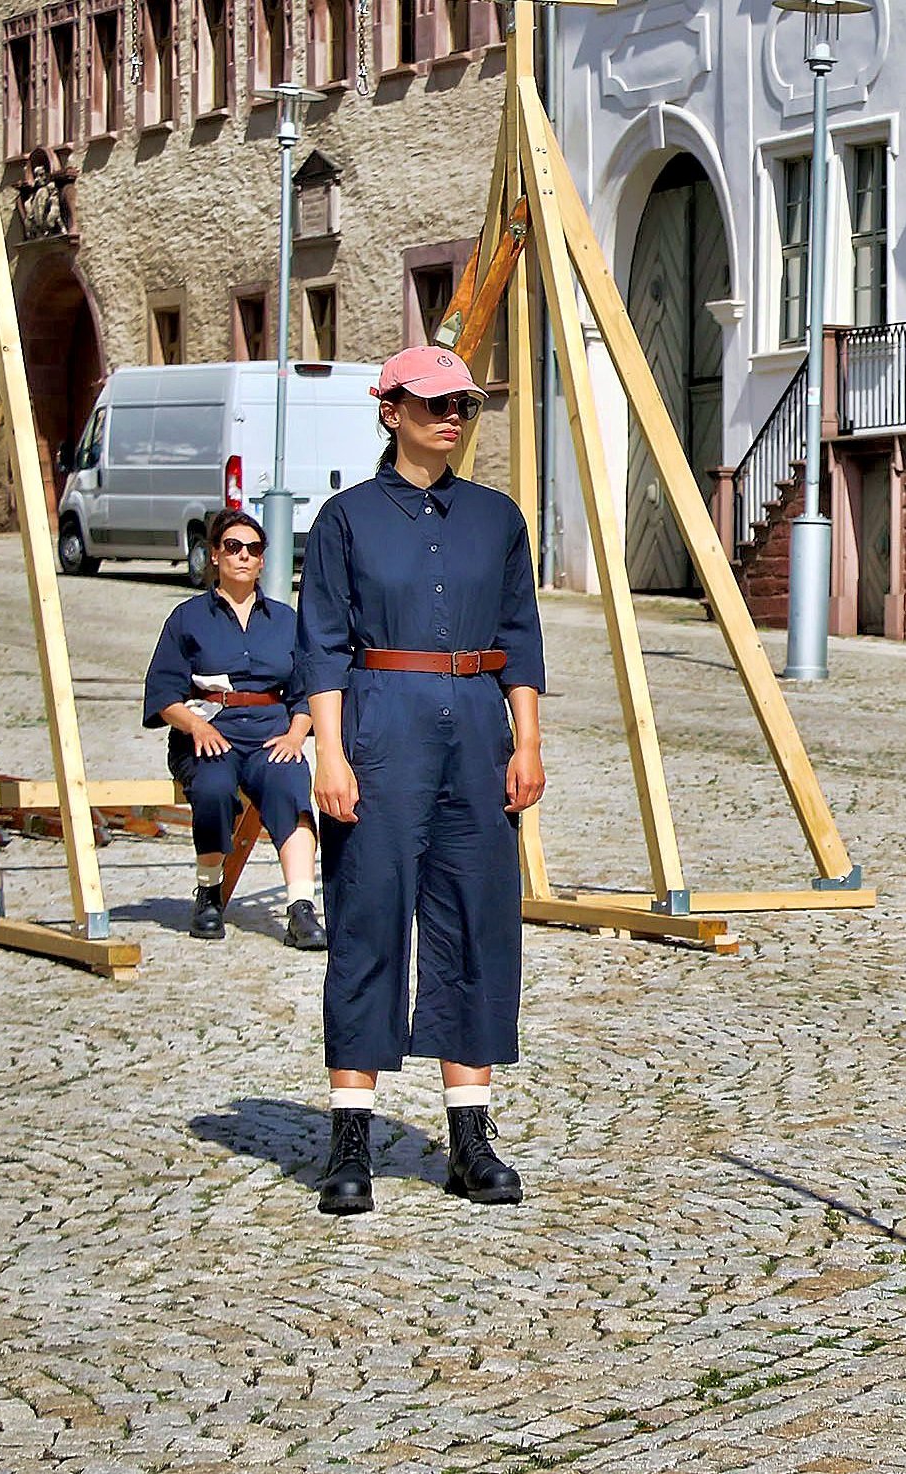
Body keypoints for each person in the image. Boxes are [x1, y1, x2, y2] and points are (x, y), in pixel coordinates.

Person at [295, 345, 546, 1217]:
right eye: (435, 403)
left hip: (477, 727)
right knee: (367, 921)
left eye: (463, 406)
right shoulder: (346, 520)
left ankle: (470, 1139)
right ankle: (352, 1139)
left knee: (478, 921)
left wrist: (527, 742)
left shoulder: (497, 518)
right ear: (390, 409)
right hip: (380, 727)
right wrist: (329, 753)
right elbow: (322, 644)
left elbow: (522, 633)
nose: (452, 417)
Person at [141, 506, 324, 948]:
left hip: (270, 733)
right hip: (208, 731)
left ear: (263, 560)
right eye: (233, 547)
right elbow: (163, 692)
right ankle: (208, 892)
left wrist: (297, 734)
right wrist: (195, 728)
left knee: (289, 784)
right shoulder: (187, 619)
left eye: (253, 549)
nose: (243, 556)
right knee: (213, 787)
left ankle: (301, 906)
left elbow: (306, 691)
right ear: (215, 557)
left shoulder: (286, 621)